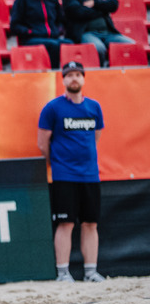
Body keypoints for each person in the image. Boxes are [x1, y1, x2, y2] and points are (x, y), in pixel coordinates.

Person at [38, 61, 106, 283]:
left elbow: (96, 136)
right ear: (63, 79)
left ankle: (90, 272)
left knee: (90, 223)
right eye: (69, 75)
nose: (74, 78)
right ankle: (63, 273)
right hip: (64, 175)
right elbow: (42, 142)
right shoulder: (53, 108)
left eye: (78, 74)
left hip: (90, 175)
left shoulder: (94, 107)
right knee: (65, 223)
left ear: (84, 78)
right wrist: (56, 162)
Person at [61, 0, 136, 68]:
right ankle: (101, 71)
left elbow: (113, 5)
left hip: (109, 33)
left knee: (131, 45)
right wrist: (102, 7)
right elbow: (79, 13)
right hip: (86, 34)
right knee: (99, 48)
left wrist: (94, 3)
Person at [8, 0, 72, 68]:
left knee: (69, 43)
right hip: (31, 39)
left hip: (52, 37)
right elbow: (14, 25)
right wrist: (30, 31)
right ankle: (54, 74)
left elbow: (61, 19)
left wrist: (58, 30)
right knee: (53, 46)